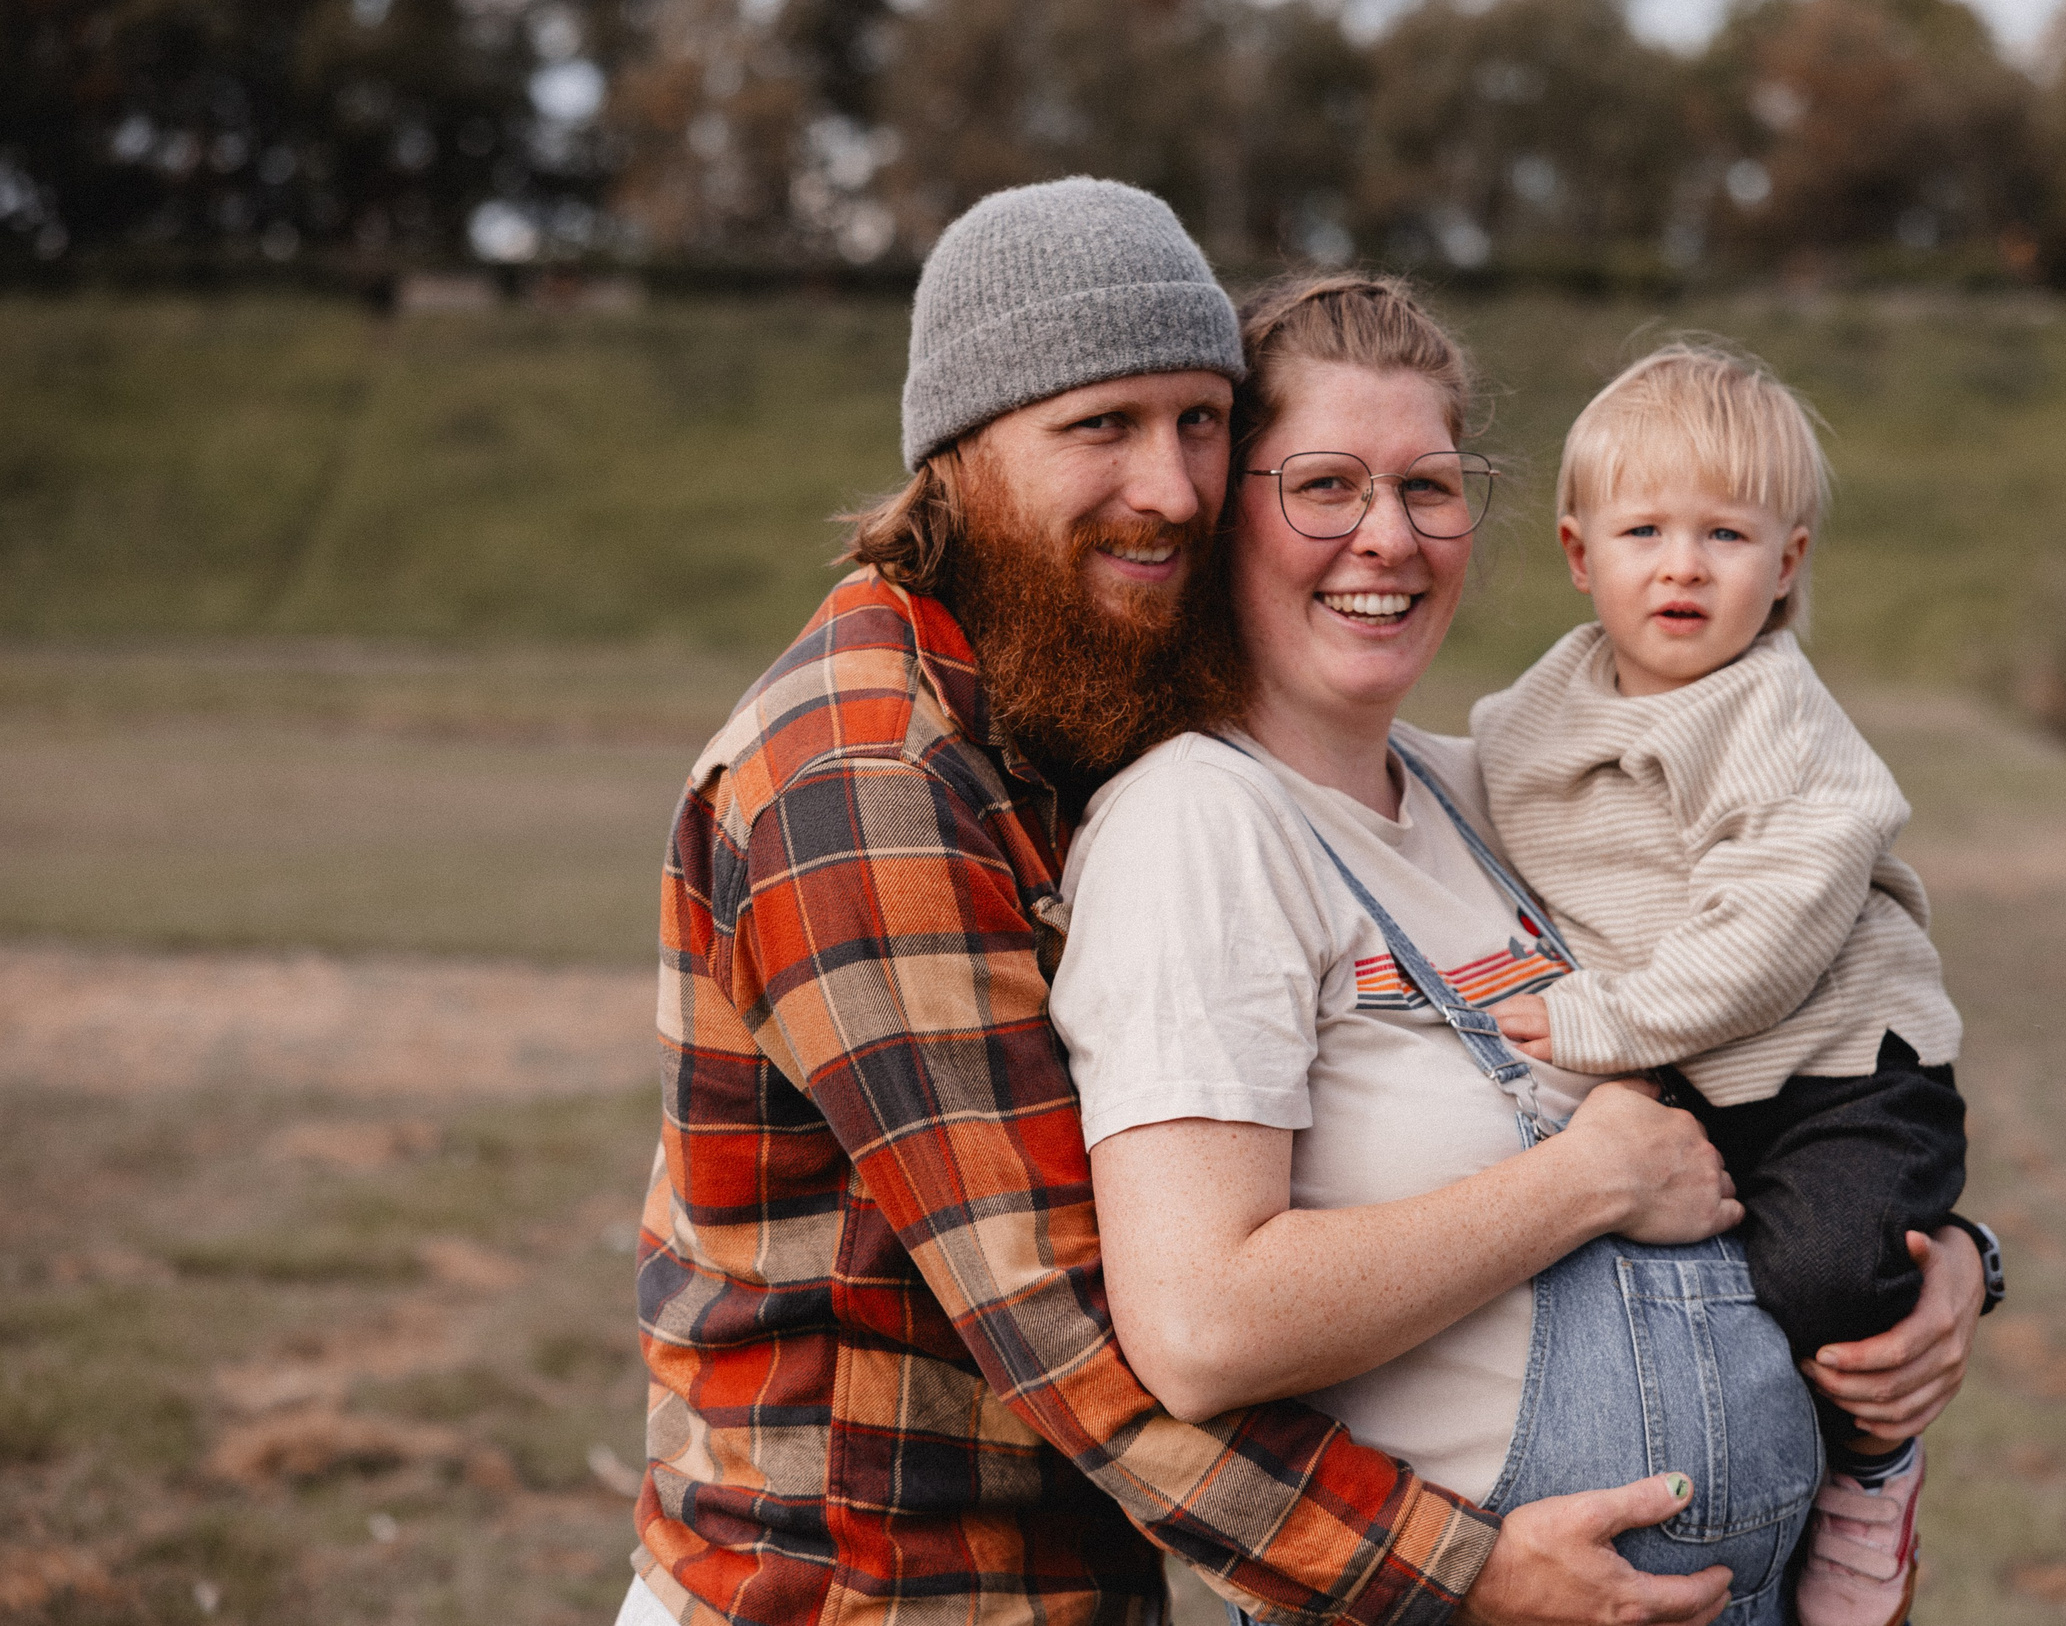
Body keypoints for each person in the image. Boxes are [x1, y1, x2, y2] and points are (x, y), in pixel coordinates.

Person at [623, 180, 1750, 1626]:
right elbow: (1069, 1321)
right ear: (959, 452)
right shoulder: (862, 775)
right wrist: (1463, 1570)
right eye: (1101, 425)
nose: (1171, 486)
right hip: (860, 1589)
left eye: (1201, 423)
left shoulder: (1063, 691)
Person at [1048, 278, 1988, 1626]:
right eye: (1322, 484)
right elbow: (1203, 1327)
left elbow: (1805, 992)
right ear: (1221, 517)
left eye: (1430, 486)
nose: (1387, 536)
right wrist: (1587, 1178)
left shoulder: (1492, 791)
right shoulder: (1202, 826)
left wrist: (1946, 1261)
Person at [1473, 342, 2003, 1626]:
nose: (1681, 564)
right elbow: (1470, 800)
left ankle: (1870, 1478)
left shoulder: (1776, 716)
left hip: (1841, 1077)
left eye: (1725, 534)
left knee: (1822, 1278)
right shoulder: (1536, 711)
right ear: (1575, 551)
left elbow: (1766, 937)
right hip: (1711, 1078)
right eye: (1643, 529)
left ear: (1788, 564)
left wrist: (1598, 1021)